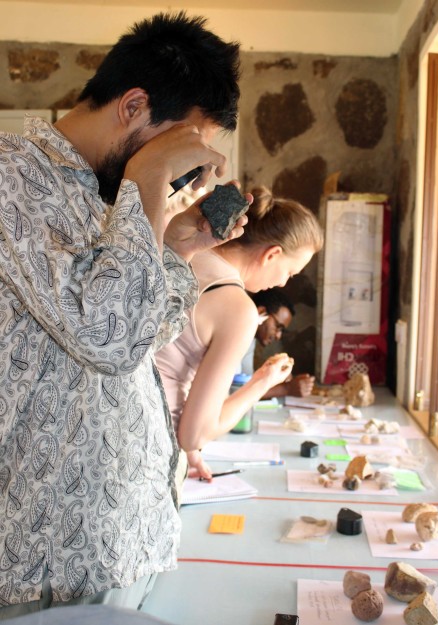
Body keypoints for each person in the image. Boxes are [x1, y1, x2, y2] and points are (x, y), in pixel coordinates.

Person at [0, 11, 247, 617]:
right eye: (182, 146)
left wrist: (175, 247)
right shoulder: (13, 175)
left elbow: (141, 337)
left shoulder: (105, 192)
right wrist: (146, 188)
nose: (185, 170)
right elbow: (104, 341)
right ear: (133, 106)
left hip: (121, 539)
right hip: (49, 559)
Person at [156, 186, 323, 481]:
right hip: (149, 439)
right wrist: (263, 382)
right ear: (272, 254)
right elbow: (194, 435)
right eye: (290, 272)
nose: (284, 283)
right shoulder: (237, 309)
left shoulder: (185, 251)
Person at [240, 287, 315, 398]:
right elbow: (234, 392)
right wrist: (286, 389)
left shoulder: (250, 340)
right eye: (277, 327)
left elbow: (245, 385)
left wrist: (274, 377)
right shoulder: (237, 336)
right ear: (261, 312)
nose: (278, 336)